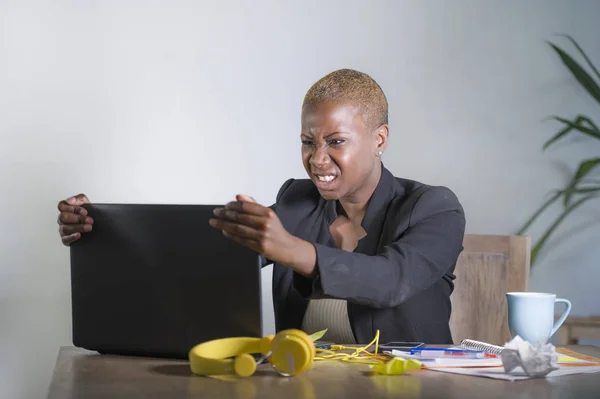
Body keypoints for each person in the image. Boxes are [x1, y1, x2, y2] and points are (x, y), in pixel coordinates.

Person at [57, 69, 466, 345]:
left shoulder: (434, 208)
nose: (317, 159)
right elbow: (202, 253)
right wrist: (100, 228)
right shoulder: (298, 201)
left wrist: (291, 250)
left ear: (379, 139)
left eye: (335, 141)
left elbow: (392, 280)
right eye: (308, 142)